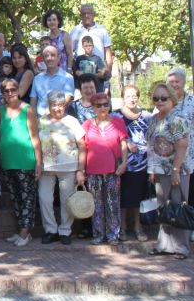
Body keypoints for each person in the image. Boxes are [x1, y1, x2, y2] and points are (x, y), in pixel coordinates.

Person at [145, 82, 190, 260]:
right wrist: (151, 170)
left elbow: (182, 145)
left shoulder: (177, 119)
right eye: (156, 98)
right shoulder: (155, 119)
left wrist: (175, 170)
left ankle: (181, 248)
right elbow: (152, 146)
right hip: (159, 170)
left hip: (176, 170)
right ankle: (164, 245)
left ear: (171, 98)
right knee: (163, 208)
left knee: (178, 207)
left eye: (163, 98)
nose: (159, 101)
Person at [38, 90, 86, 245]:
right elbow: (36, 144)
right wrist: (37, 164)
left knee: (67, 200)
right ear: (48, 105)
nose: (57, 108)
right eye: (53, 105)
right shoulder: (42, 121)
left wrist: (81, 169)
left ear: (64, 105)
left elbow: (82, 145)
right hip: (47, 167)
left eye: (60, 105)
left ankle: (65, 230)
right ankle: (50, 230)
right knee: (45, 198)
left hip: (69, 167)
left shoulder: (72, 121)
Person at [0, 78, 42, 247]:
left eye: (13, 89)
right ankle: (20, 230)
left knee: (27, 197)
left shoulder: (27, 109)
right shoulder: (0, 111)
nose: (10, 93)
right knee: (16, 198)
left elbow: (35, 136)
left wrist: (38, 161)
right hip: (8, 161)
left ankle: (25, 232)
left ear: (18, 90)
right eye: (6, 90)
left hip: (25, 160)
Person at [81, 92, 128, 245]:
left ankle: (113, 234)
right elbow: (83, 149)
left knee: (112, 203)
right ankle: (99, 233)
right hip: (93, 170)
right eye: (98, 105)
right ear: (93, 107)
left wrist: (124, 163)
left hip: (113, 169)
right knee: (96, 204)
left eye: (105, 104)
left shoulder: (118, 122)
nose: (102, 107)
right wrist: (81, 170)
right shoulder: (87, 124)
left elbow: (123, 145)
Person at [112, 84, 151, 242]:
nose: (132, 99)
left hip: (142, 163)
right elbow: (111, 136)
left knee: (137, 196)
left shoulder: (147, 116)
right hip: (121, 162)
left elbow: (152, 136)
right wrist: (126, 142)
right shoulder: (115, 116)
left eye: (134, 95)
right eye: (128, 96)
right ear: (123, 97)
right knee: (122, 196)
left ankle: (137, 226)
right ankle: (122, 227)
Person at [166, 66, 194, 238]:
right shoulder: (164, 101)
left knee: (191, 193)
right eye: (171, 82)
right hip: (170, 158)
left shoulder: (191, 101)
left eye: (177, 81)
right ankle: (177, 229)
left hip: (191, 153)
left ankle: (191, 227)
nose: (174, 84)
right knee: (178, 195)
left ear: (183, 82)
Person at [69, 3, 113, 93]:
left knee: (99, 100)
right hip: (81, 74)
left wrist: (107, 71)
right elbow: (69, 52)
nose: (86, 15)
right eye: (84, 13)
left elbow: (108, 52)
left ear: (93, 14)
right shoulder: (75, 31)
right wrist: (75, 70)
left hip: (98, 73)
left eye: (89, 13)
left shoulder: (102, 30)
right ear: (80, 15)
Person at [30, 45, 74, 117]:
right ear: (43, 59)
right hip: (40, 120)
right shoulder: (37, 78)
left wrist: (50, 116)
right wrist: (33, 119)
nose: (49, 58)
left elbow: (66, 100)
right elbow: (33, 101)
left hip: (59, 120)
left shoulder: (68, 78)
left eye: (53, 55)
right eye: (46, 56)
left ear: (58, 57)